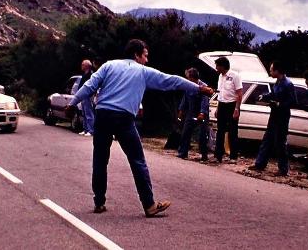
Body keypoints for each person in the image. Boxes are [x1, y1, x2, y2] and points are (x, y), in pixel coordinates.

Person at [66, 39, 214, 217]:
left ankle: (99, 202)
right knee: (137, 160)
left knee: (99, 159)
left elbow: (89, 86)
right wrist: (198, 88)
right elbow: (172, 81)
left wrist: (72, 103)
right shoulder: (143, 71)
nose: (146, 60)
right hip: (124, 119)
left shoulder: (108, 66)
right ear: (136, 55)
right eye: (145, 56)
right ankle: (149, 205)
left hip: (103, 116)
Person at [248, 61, 296, 176]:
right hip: (274, 114)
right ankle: (260, 163)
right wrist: (264, 96)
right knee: (267, 139)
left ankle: (283, 169)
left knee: (280, 142)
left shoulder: (288, 84)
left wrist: (280, 104)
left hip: (282, 116)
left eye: (271, 70)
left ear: (277, 71)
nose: (270, 72)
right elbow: (273, 94)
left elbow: (293, 101)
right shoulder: (278, 82)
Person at [210, 56, 242, 164]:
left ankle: (233, 156)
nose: (216, 68)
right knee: (220, 130)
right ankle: (218, 155)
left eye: (217, 66)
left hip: (232, 104)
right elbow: (221, 93)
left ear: (223, 66)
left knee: (233, 131)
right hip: (222, 104)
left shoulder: (235, 76)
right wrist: (218, 108)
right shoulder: (220, 77)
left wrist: (237, 108)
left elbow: (239, 93)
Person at [177, 68, 210, 162]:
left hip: (201, 112)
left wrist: (202, 113)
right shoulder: (188, 86)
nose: (187, 79)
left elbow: (205, 101)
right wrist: (181, 110)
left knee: (202, 134)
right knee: (185, 132)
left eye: (188, 78)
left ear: (192, 77)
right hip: (191, 111)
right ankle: (182, 152)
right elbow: (185, 99)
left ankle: (204, 155)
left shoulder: (204, 86)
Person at [78, 60, 95, 136]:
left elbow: (91, 86)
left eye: (83, 64)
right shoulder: (84, 74)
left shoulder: (90, 75)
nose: (81, 66)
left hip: (88, 96)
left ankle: (91, 130)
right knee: (84, 113)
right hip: (83, 96)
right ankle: (85, 129)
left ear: (87, 65)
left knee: (89, 113)